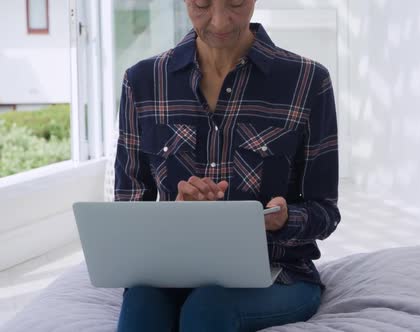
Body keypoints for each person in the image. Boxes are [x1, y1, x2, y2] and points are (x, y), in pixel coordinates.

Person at [114, 0, 340, 331]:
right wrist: (174, 214)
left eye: (235, 3)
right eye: (202, 4)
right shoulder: (142, 82)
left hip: (277, 272)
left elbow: (325, 212)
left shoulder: (308, 81)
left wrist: (284, 218)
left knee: (207, 309)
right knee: (141, 306)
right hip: (174, 270)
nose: (220, 22)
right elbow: (128, 209)